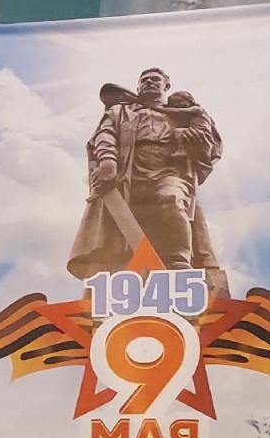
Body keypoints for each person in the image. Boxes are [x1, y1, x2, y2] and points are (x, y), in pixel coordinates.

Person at [68, 66, 224, 286]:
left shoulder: (185, 112)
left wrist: (194, 141)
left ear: (166, 86)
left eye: (155, 80)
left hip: (170, 168)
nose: (149, 83)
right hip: (130, 171)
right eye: (144, 80)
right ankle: (127, 270)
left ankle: (180, 263)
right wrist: (107, 161)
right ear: (138, 87)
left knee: (172, 199)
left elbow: (208, 147)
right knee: (123, 222)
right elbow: (104, 135)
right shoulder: (121, 112)